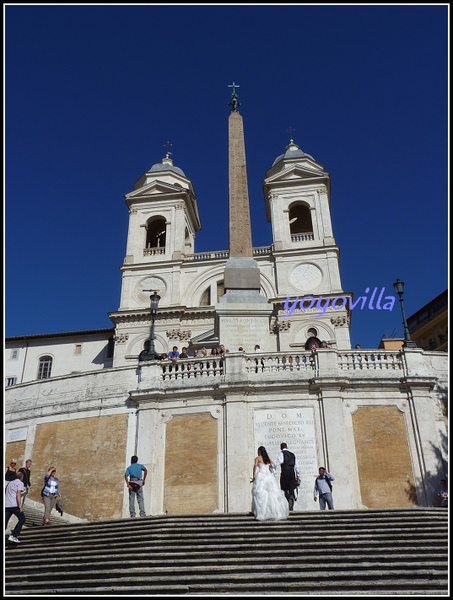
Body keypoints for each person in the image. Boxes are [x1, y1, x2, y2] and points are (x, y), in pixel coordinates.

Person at [251, 446, 288, 521]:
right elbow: (273, 464)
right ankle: (275, 511)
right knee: (272, 494)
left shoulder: (257, 458)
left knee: (261, 494)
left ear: (259, 451)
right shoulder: (267, 459)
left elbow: (255, 466)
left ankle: (262, 512)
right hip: (269, 476)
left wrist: (254, 476)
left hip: (261, 475)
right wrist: (270, 468)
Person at [272, 443, 300, 511]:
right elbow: (296, 465)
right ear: (287, 447)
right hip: (292, 472)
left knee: (284, 487)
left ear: (281, 447)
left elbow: (281, 461)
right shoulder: (292, 454)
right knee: (291, 487)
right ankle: (291, 498)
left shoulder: (281, 453)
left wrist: (273, 465)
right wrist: (298, 475)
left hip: (285, 471)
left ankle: (288, 498)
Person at [5, 472, 26, 543]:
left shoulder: (10, 483)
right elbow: (18, 494)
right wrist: (20, 506)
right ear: (21, 478)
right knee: (22, 518)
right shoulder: (20, 483)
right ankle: (14, 535)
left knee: (5, 521)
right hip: (14, 505)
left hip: (7, 505)